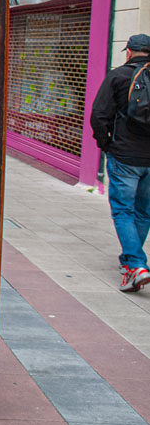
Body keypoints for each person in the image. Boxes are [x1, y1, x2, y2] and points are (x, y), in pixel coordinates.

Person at [90, 33, 150, 292]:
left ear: (129, 52)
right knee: (143, 212)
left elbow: (99, 115)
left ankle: (136, 264)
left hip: (124, 156)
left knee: (123, 211)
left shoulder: (118, 76)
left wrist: (106, 145)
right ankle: (130, 260)